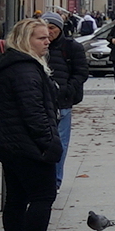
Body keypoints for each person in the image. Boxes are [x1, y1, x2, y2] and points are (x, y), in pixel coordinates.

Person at [0, 18, 68, 231]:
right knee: (43, 196)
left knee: (17, 199)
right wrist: (49, 144)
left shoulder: (14, 66)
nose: (47, 41)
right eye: (41, 38)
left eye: (47, 37)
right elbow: (34, 112)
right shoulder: (25, 69)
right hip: (26, 144)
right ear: (25, 41)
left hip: (11, 143)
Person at [43, 12, 90, 189]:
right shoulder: (36, 45)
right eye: (45, 27)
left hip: (62, 102)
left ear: (60, 29)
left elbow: (81, 72)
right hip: (40, 101)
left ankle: (55, 181)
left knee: (60, 142)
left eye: (52, 28)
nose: (49, 32)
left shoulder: (71, 47)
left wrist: (67, 90)